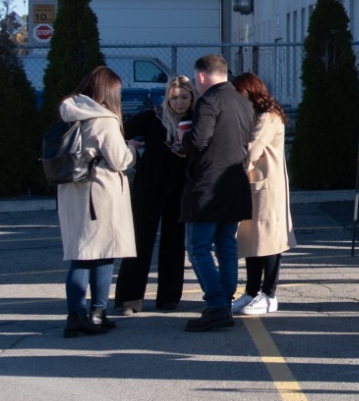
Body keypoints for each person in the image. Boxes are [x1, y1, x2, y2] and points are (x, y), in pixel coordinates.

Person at [56, 66, 135, 338]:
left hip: (72, 191)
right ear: (108, 92)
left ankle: (76, 314)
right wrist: (131, 150)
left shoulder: (70, 111)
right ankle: (96, 313)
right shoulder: (104, 119)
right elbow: (119, 159)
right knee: (103, 254)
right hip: (99, 193)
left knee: (81, 254)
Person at [182, 53, 255, 332]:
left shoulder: (209, 101)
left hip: (209, 186)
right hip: (235, 183)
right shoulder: (242, 101)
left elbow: (199, 140)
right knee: (226, 245)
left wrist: (182, 140)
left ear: (201, 76)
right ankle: (223, 302)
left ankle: (216, 305)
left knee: (198, 246)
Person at [113, 74, 192, 315]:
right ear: (167, 98)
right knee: (139, 242)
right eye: (174, 98)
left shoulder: (197, 121)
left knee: (174, 243)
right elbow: (120, 132)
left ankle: (169, 298)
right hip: (149, 188)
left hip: (180, 190)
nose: (179, 103)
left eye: (184, 97)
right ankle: (129, 299)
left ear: (192, 98)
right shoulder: (153, 117)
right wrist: (133, 145)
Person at [232, 73, 293, 316]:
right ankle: (251, 291)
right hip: (254, 187)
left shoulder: (268, 117)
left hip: (266, 188)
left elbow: (251, 150)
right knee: (251, 240)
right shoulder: (257, 115)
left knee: (269, 241)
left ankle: (269, 294)